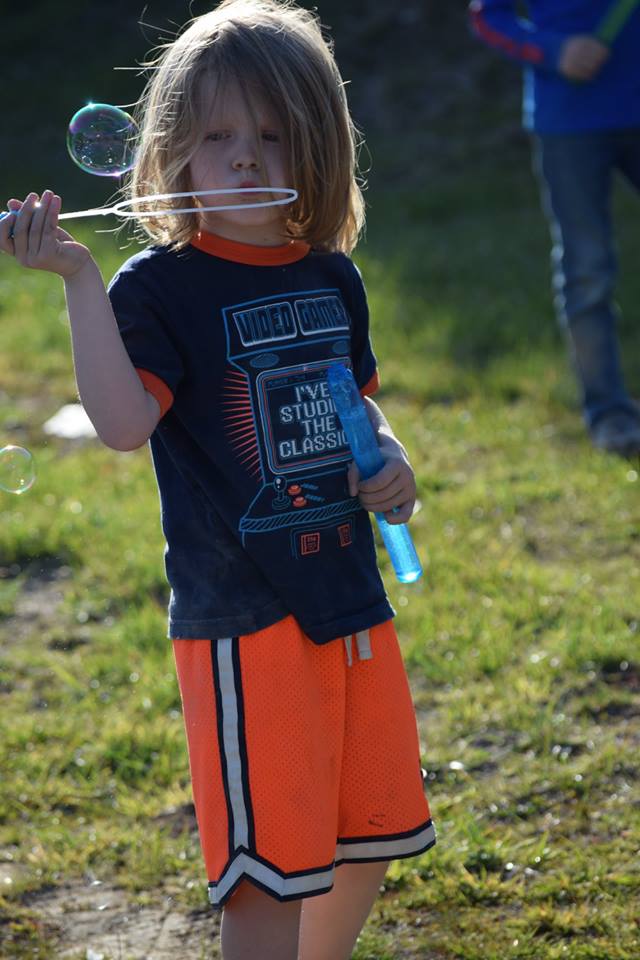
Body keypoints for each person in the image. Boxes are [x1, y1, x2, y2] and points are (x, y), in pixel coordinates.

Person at [0, 2, 436, 957]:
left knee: (371, 836)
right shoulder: (160, 288)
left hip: (350, 600)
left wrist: (392, 457)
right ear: (173, 154)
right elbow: (123, 426)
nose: (245, 159)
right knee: (268, 876)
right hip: (247, 623)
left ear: (316, 147)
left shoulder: (331, 277)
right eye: (218, 137)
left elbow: (357, 403)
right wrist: (80, 281)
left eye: (272, 136)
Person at [469, 0, 640, 457]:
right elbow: (486, 17)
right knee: (587, 269)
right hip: (569, 121)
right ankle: (609, 413)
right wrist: (552, 50)